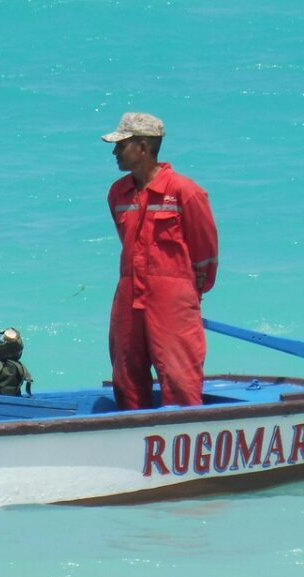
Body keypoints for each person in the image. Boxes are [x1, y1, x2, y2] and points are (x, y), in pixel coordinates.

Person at [101, 112, 218, 409]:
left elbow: (205, 252)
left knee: (179, 375)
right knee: (126, 372)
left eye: (121, 145)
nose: (115, 152)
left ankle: (184, 441)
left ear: (143, 147)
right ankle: (132, 439)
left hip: (172, 295)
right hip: (129, 292)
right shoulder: (117, 193)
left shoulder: (185, 192)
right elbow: (126, 239)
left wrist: (188, 293)